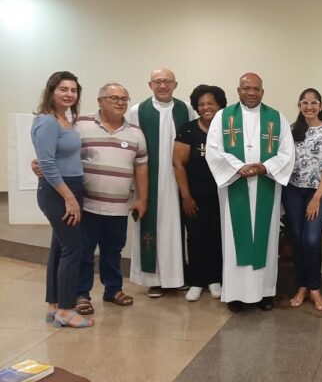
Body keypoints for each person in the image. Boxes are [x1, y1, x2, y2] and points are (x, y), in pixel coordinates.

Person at [206, 72, 295, 312]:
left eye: (256, 89)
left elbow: (287, 153)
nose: (251, 93)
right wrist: (239, 167)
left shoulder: (277, 119)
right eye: (247, 88)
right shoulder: (223, 117)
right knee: (235, 240)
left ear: (262, 91)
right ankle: (236, 294)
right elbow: (214, 150)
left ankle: (266, 293)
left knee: (266, 240)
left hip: (266, 183)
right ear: (238, 90)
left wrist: (264, 167)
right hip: (235, 183)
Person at [74, 83, 148, 313]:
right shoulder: (81, 125)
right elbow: (66, 158)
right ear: (100, 101)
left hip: (118, 207)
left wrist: (142, 199)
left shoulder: (135, 132)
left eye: (124, 99)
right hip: (87, 205)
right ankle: (81, 295)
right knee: (84, 252)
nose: (120, 102)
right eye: (114, 98)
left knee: (113, 251)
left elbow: (142, 168)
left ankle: (113, 290)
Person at [31, 71, 93, 328]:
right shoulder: (47, 122)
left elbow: (56, 158)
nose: (69, 94)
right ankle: (66, 310)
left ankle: (53, 305)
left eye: (73, 90)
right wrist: (69, 198)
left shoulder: (65, 120)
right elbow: (45, 162)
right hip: (58, 191)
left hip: (70, 187)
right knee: (73, 248)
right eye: (63, 89)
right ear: (51, 91)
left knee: (59, 247)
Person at [127, 69, 195, 297]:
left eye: (167, 81)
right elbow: (132, 144)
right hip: (150, 180)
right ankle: (153, 279)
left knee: (177, 227)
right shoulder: (138, 111)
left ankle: (177, 277)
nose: (163, 86)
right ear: (150, 85)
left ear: (175, 84)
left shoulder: (186, 109)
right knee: (152, 227)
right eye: (158, 82)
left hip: (179, 179)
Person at [283, 88, 322, 311]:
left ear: (321, 106)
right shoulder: (290, 130)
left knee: (312, 239)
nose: (309, 107)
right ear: (299, 106)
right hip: (293, 191)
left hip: (318, 192)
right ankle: (302, 286)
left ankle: (315, 288)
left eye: (314, 103)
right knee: (297, 239)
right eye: (304, 103)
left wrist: (317, 197)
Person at [172, 85, 227, 302]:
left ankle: (215, 280)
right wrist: (185, 196)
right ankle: (196, 281)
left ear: (220, 105)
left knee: (217, 236)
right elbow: (178, 163)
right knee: (196, 236)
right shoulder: (188, 130)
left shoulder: (227, 129)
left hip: (222, 194)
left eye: (211, 103)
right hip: (194, 195)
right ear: (196, 106)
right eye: (201, 104)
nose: (206, 108)